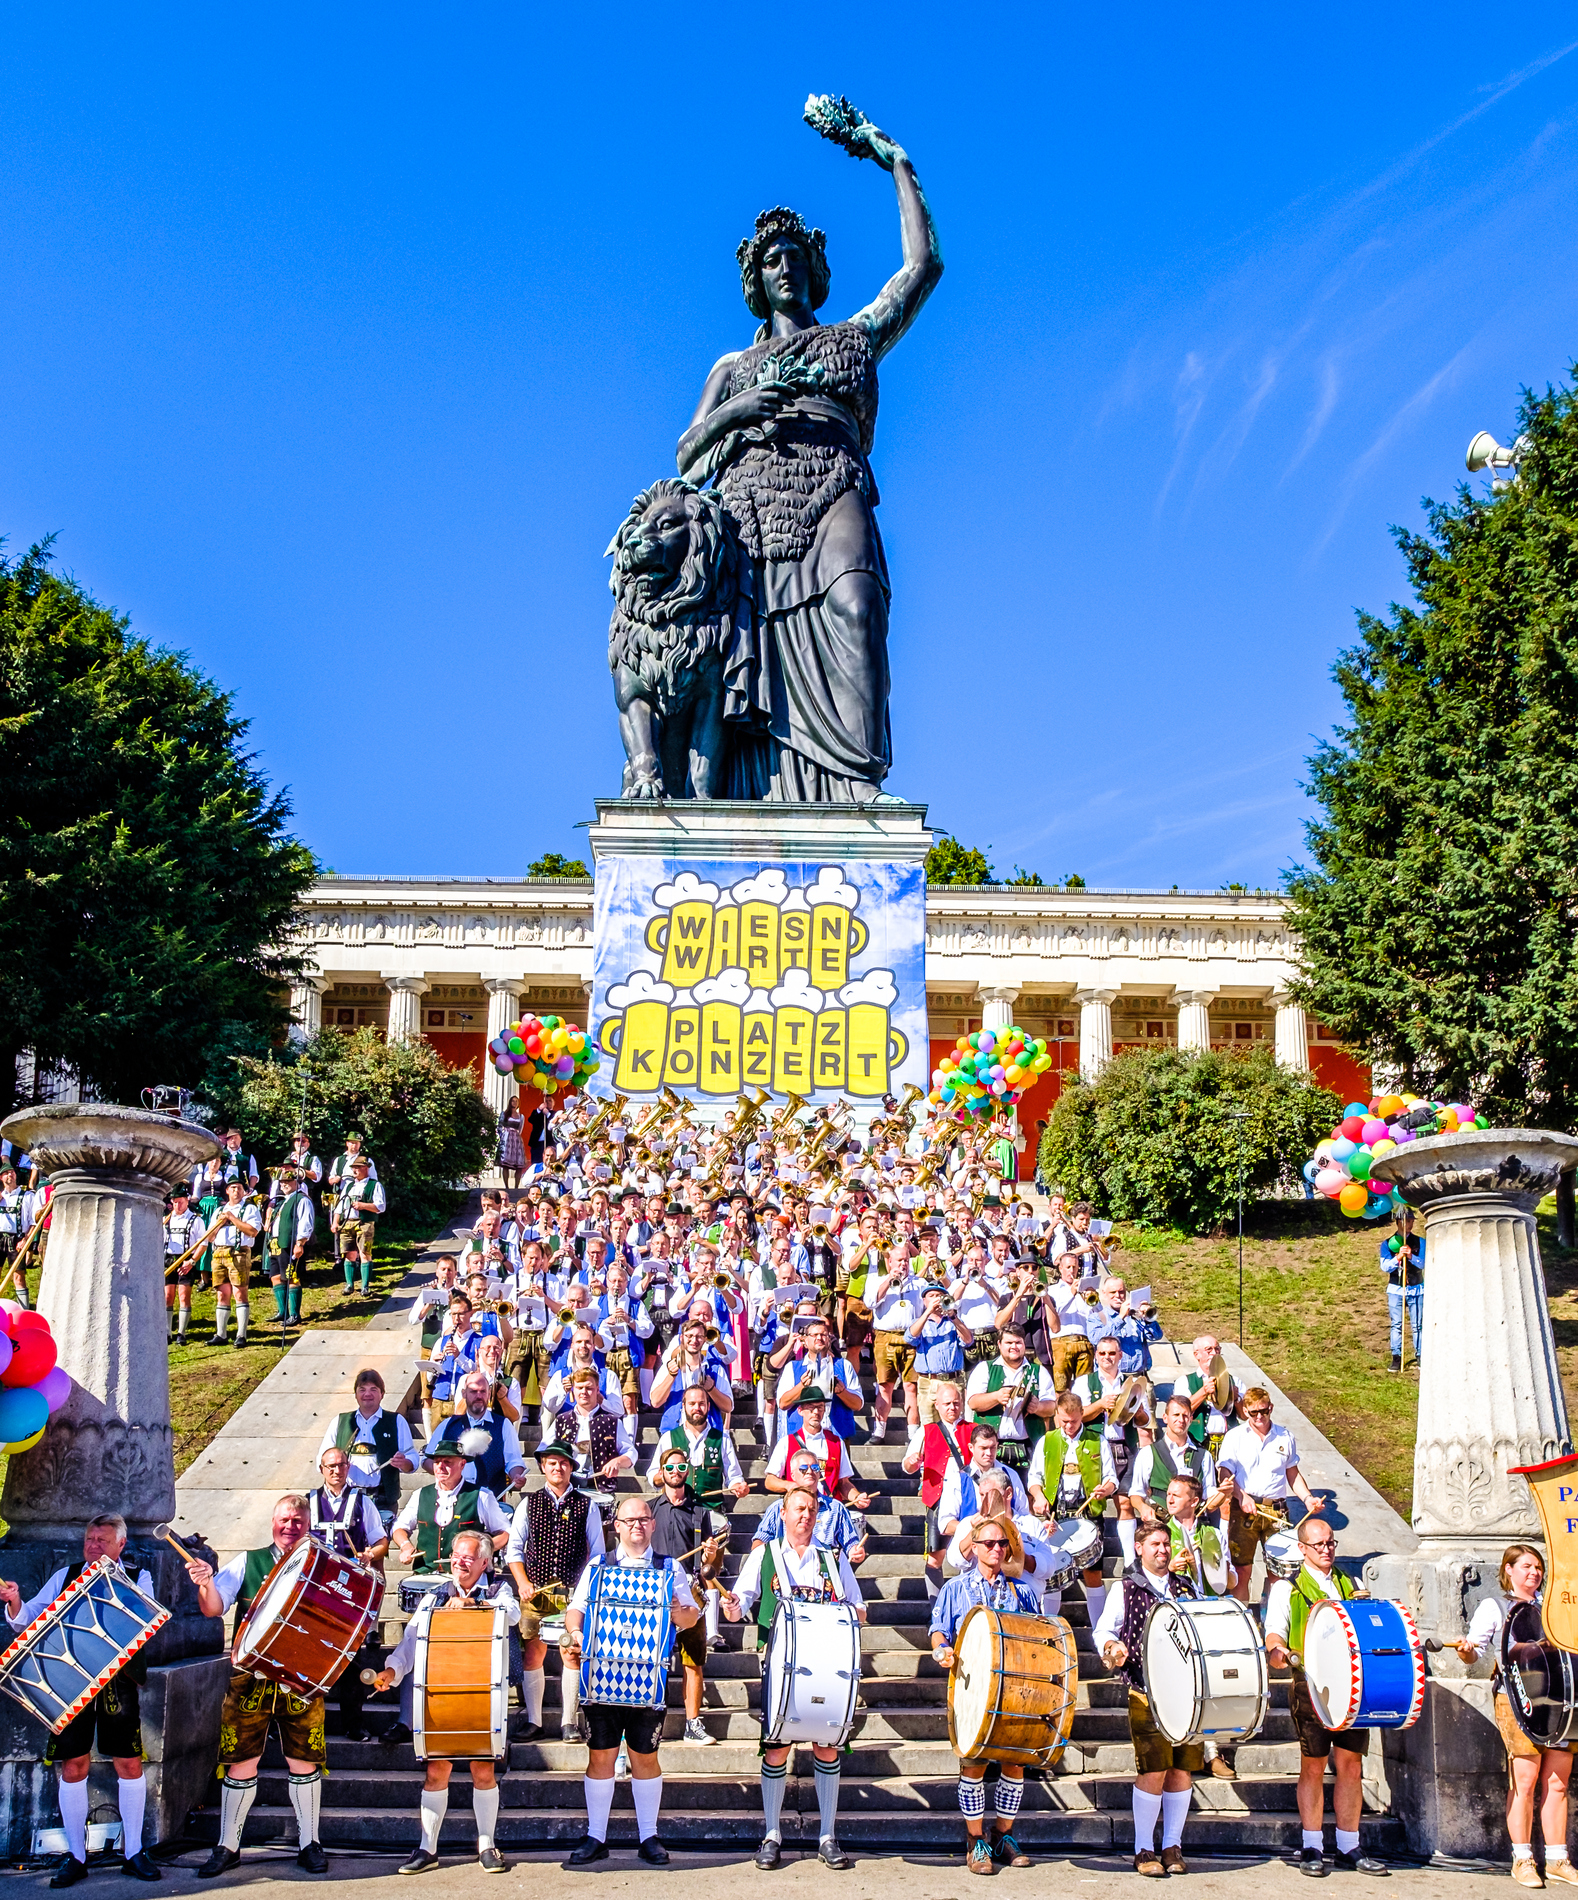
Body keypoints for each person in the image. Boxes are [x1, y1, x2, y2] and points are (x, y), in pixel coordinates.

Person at [676, 117, 942, 804]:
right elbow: (687, 452)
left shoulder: (854, 338)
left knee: (857, 607)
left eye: (796, 255)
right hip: (753, 511)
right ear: (756, 280)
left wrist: (895, 162)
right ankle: (758, 794)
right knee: (754, 650)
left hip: (835, 486)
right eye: (772, 259)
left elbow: (922, 269)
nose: (786, 266)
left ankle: (857, 783)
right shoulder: (734, 366)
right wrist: (743, 407)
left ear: (815, 268)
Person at [0, 1516, 163, 1886]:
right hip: (69, 1682)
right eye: (89, 1539)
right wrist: (14, 1601)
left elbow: (145, 1617)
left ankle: (134, 1851)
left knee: (128, 1762)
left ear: (121, 1545)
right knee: (73, 1765)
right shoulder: (65, 1574)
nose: (93, 1546)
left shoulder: (139, 1578)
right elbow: (27, 1620)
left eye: (102, 1540)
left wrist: (109, 1578)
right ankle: (75, 1855)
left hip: (116, 1682)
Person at [185, 1495, 330, 1876]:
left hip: (301, 1677)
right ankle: (227, 1846)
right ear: (272, 1522)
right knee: (239, 1762)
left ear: (308, 1523)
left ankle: (309, 1843)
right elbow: (213, 1608)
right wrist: (204, 1584)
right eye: (285, 1519)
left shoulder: (324, 1564)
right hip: (249, 1676)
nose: (291, 1527)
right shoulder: (249, 1561)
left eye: (298, 1521)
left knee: (304, 1761)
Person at [723, 1485, 865, 1871]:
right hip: (777, 1663)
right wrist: (731, 1606)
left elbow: (859, 1608)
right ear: (781, 1514)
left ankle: (827, 1836)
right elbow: (739, 1606)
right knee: (776, 1748)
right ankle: (771, 1834)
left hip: (826, 1663)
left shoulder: (833, 1559)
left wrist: (852, 1613)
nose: (805, 1514)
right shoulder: (763, 1555)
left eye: (812, 1509)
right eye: (798, 1508)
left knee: (827, 1746)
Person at [561, 1496, 702, 1868]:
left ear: (653, 1524)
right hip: (602, 1677)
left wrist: (677, 1610)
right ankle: (596, 1836)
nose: (637, 1525)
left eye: (643, 1519)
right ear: (617, 1526)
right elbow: (575, 1609)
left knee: (645, 1757)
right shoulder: (598, 1565)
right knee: (601, 1756)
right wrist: (575, 1632)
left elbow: (690, 1616)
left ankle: (647, 1835)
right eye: (629, 1520)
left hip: (647, 1680)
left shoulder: (670, 1568)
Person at [369, 1531, 519, 1874]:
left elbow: (511, 1615)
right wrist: (392, 1670)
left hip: (483, 1697)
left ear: (484, 1562)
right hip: (441, 1696)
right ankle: (427, 1848)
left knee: (484, 1769)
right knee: (437, 1770)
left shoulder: (498, 1590)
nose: (459, 1562)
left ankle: (487, 1845)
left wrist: (474, 1604)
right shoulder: (434, 1597)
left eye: (467, 1557)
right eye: (456, 1555)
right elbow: (411, 1641)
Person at [1263, 1516, 1389, 1877]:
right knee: (1314, 1766)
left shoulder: (1351, 1583)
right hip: (1311, 1687)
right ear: (1301, 1549)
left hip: (1352, 1687)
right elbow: (1274, 1637)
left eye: (1331, 1543)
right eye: (1319, 1545)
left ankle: (1350, 1846)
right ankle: (1312, 1846)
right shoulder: (1288, 1588)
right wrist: (1280, 1653)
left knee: (1351, 1765)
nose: (1327, 1550)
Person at [930, 1509, 1042, 1876]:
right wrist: (941, 1650)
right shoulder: (955, 1588)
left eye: (1002, 1543)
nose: (996, 1548)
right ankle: (975, 1840)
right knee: (974, 1765)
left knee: (1013, 1764)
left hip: (1015, 1691)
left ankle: (1003, 1836)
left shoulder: (1021, 1591)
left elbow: (1039, 1636)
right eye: (989, 1543)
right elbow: (938, 1630)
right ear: (975, 1547)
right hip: (971, 1688)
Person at [1457, 1542, 1575, 1888]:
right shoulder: (1493, 1607)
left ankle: (1557, 1859)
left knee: (1558, 1781)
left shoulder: (1555, 1606)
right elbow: (1473, 1652)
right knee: (1524, 1779)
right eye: (1526, 1566)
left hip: (1558, 1699)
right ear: (1508, 1570)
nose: (1534, 1573)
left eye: (1538, 1567)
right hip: (1517, 1699)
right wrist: (1466, 1651)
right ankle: (1522, 1858)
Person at [1093, 1520, 1203, 1878]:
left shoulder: (1185, 1588)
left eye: (1166, 1544)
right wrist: (1112, 1646)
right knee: (1153, 1769)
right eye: (1155, 1544)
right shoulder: (1125, 1588)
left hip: (1188, 1695)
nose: (1163, 1550)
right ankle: (1143, 1848)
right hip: (1146, 1691)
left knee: (1182, 1770)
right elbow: (1104, 1631)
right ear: (1138, 1548)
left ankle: (1172, 1845)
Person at [505, 1440, 605, 1743]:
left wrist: (583, 1592)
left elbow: (598, 1553)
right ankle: (534, 1721)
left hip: (573, 1592)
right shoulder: (529, 1503)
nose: (557, 1467)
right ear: (543, 1467)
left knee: (571, 1652)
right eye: (551, 1463)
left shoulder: (587, 1505)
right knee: (532, 1652)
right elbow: (513, 1549)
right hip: (535, 1592)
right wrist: (522, 1583)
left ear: (571, 1468)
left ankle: (569, 1722)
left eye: (563, 1463)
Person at [648, 1442, 727, 1745]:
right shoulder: (651, 1509)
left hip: (690, 1594)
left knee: (693, 1661)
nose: (676, 1472)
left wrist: (710, 1554)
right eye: (670, 1467)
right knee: (653, 1661)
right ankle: (650, 1721)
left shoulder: (700, 1513)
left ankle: (693, 1724)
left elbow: (710, 1567)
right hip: (656, 1594)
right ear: (662, 1473)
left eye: (682, 1467)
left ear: (688, 1472)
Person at [1217, 1387, 1323, 1605]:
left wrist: (1307, 1498)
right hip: (1245, 1508)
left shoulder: (1285, 1436)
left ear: (1270, 1408)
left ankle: (1272, 1622)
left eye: (1263, 1411)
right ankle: (1243, 1618)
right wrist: (1241, 1496)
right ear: (1244, 1410)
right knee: (1241, 1571)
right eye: (1253, 1412)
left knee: (1280, 1573)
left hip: (1277, 1509)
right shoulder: (1234, 1437)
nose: (1258, 1417)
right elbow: (1224, 1474)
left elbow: (1292, 1473)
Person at [309, 1448, 387, 1740]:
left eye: (341, 1465)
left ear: (348, 1466)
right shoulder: (309, 1502)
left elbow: (381, 1541)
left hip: (350, 1591)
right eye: (330, 1466)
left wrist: (370, 1555)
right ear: (321, 1468)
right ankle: (308, 1725)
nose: (335, 1471)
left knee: (350, 1658)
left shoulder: (362, 1502)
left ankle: (354, 1723)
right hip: (316, 1591)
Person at [1027, 1389, 1116, 1626]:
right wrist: (1038, 1496)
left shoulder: (1098, 1440)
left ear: (1082, 1414)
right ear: (1057, 1415)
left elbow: (1111, 1478)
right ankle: (1049, 1626)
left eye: (1074, 1421)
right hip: (1056, 1512)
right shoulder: (1047, 1441)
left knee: (1093, 1573)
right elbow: (1034, 1478)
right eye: (1064, 1421)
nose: (1069, 1426)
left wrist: (1104, 1489)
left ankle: (1099, 1630)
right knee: (1052, 1573)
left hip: (1088, 1511)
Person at [1076, 1335, 1151, 1570]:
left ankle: (1130, 1561)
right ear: (1096, 1356)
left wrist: (1134, 1407)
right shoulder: (1084, 1382)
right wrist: (1100, 1405)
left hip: (1123, 1445)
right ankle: (1087, 1556)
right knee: (1092, 1504)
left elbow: (1145, 1420)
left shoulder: (1133, 1382)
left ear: (1120, 1355)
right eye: (1102, 1353)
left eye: (1112, 1353)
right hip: (1095, 1447)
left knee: (1126, 1502)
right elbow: (1075, 1415)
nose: (1107, 1357)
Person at [319, 1367, 416, 1529]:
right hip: (344, 1497)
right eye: (362, 1390)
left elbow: (412, 1459)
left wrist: (403, 1462)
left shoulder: (396, 1421)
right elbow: (320, 1460)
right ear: (355, 1394)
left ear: (382, 1394)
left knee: (377, 1549)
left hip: (382, 1500)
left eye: (373, 1389)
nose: (367, 1394)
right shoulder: (340, 1421)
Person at [902, 1381, 972, 1599]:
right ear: (937, 1405)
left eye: (956, 1403)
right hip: (938, 1499)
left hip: (967, 1498)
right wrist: (913, 1462)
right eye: (947, 1403)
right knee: (934, 1558)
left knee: (971, 1553)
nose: (952, 1407)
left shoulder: (972, 1429)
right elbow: (906, 1466)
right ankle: (937, 1607)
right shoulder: (926, 1431)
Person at [1131, 1393, 1232, 1527]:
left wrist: (1223, 1493)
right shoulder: (1147, 1453)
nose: (1181, 1420)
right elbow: (1136, 1493)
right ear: (1165, 1418)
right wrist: (1143, 1508)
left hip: (1193, 1528)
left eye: (1185, 1416)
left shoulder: (1204, 1456)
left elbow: (1210, 1504)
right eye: (1176, 1415)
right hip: (1160, 1527)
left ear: (1191, 1419)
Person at [964, 1322, 1053, 1473]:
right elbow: (973, 1402)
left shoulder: (1039, 1371)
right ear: (999, 1344)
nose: (1014, 1347)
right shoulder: (985, 1368)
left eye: (1018, 1342)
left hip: (1028, 1446)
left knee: (1027, 1495)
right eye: (1009, 1342)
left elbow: (1052, 1408)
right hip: (992, 1449)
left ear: (1024, 1344)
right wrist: (996, 1397)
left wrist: (1038, 1407)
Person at [425, 1370, 527, 1495]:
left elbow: (514, 1461)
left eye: (483, 1391)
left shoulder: (503, 1425)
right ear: (464, 1394)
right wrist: (442, 1469)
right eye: (473, 1391)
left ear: (489, 1394)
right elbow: (427, 1459)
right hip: (453, 1499)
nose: (478, 1396)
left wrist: (517, 1476)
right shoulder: (448, 1425)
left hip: (491, 1499)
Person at [937, 1423, 1028, 1542]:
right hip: (971, 1549)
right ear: (971, 1447)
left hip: (1005, 1546)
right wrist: (973, 1527)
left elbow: (1024, 1514)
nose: (989, 1453)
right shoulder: (957, 1479)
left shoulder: (1011, 1475)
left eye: (993, 1447)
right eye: (983, 1448)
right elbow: (945, 1524)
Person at [207, 1179, 261, 1347]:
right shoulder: (218, 1211)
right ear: (227, 1191)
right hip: (219, 1253)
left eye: (239, 1188)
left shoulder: (250, 1208)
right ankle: (221, 1334)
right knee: (222, 1294)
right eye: (232, 1188)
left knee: (239, 1292)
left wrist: (232, 1218)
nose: (236, 1190)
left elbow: (253, 1231)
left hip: (239, 1252)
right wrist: (219, 1224)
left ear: (244, 1192)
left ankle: (241, 1335)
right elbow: (209, 1237)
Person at [263, 1167, 315, 1326]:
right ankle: (282, 1311)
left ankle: (294, 1314)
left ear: (296, 1182)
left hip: (290, 1244)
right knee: (276, 1276)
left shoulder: (301, 1199)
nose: (284, 1184)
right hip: (276, 1243)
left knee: (292, 1276)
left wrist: (300, 1243)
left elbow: (306, 1222)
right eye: (282, 1182)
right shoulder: (282, 1200)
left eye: (288, 1181)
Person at [333, 1155, 386, 1296]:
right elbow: (340, 1205)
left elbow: (381, 1206)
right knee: (348, 1253)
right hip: (347, 1223)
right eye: (353, 1168)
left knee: (364, 1252)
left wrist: (363, 1206)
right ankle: (349, 1284)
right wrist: (335, 1222)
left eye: (357, 1167)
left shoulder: (374, 1185)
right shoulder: (349, 1186)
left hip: (365, 1223)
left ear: (365, 1168)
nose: (354, 1170)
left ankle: (365, 1286)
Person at [1381, 1211, 1425, 1374]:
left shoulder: (1420, 1242)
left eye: (1412, 1221)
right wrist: (1399, 1256)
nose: (1410, 1224)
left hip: (1417, 1289)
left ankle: (1421, 1355)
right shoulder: (1387, 1244)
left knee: (1418, 1325)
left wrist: (1411, 1257)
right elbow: (1385, 1267)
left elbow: (1423, 1264)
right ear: (1398, 1222)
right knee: (1397, 1325)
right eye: (1407, 1221)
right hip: (1396, 1290)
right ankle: (1396, 1357)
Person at [163, 1186, 207, 1344]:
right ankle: (167, 1332)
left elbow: (203, 1244)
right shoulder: (166, 1220)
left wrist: (192, 1261)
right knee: (167, 1296)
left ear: (187, 1201)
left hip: (186, 1260)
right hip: (168, 1259)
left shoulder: (196, 1220)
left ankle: (181, 1332)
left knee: (183, 1296)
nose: (177, 1206)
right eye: (174, 1202)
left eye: (180, 1202)